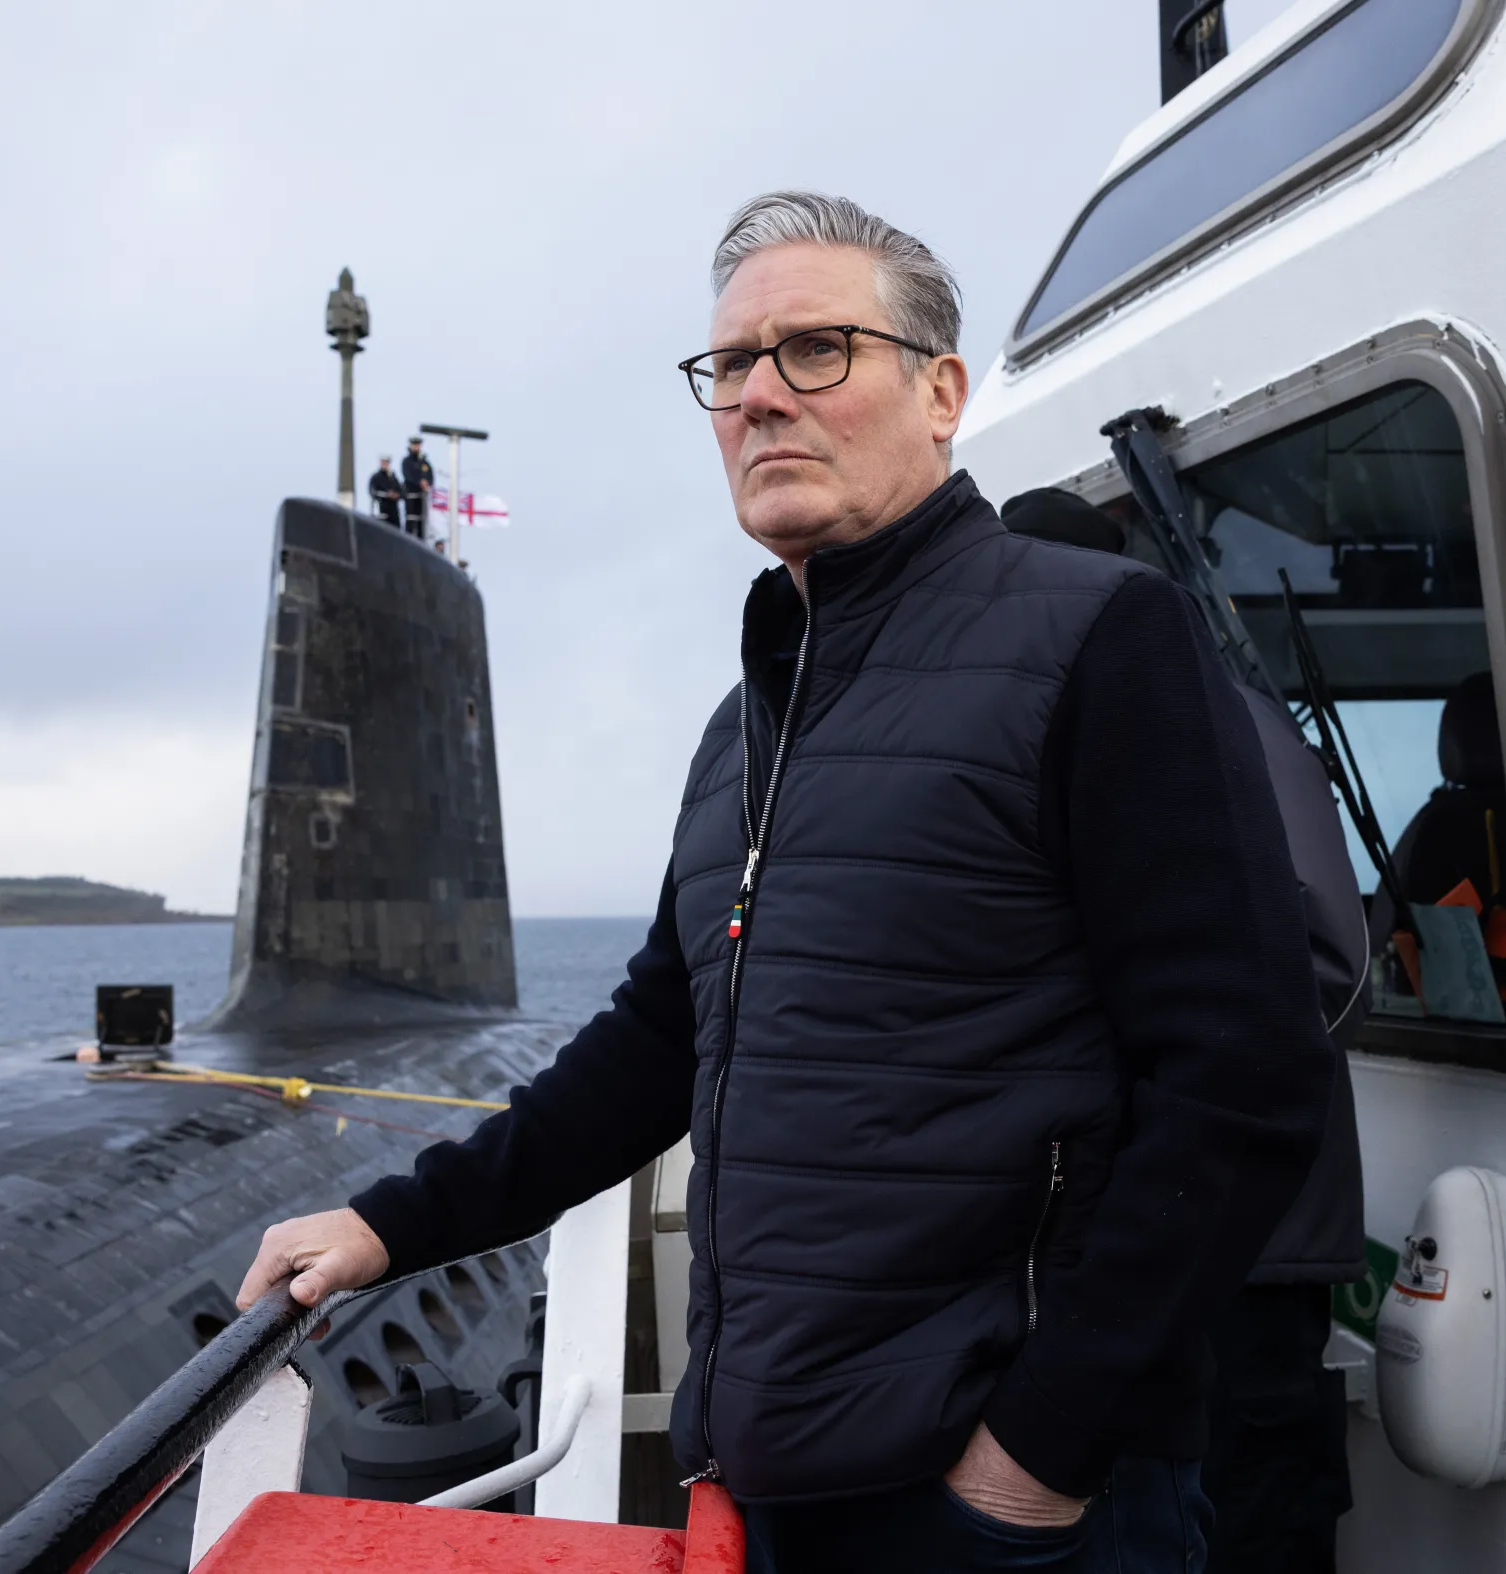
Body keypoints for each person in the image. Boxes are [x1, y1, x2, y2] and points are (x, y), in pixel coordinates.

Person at [239, 191, 1335, 1573]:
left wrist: (1040, 1454)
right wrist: (396, 1220)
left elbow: (1243, 1076)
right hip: (787, 1471)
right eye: (731, 366)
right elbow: (659, 1035)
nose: (761, 396)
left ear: (940, 391)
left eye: (816, 348)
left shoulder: (1099, 639)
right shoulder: (747, 722)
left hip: (1007, 1499)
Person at [1000, 487, 1366, 1573]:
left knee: (1251, 1515)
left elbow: (1324, 975)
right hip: (1134, 1238)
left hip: (1246, 1240)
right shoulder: (1058, 724)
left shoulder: (1218, 719)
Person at [400, 436, 435, 540]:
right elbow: (408, 475)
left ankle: (421, 540)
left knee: (421, 522)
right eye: (414, 445)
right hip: (411, 495)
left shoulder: (425, 463)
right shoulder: (407, 462)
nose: (416, 447)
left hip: (422, 496)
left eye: (418, 445)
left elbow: (430, 476)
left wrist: (427, 483)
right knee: (411, 520)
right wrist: (419, 482)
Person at [368, 455, 404, 528]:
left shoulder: (393, 478)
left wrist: (397, 495)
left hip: (393, 511)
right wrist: (386, 495)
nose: (385, 464)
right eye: (383, 462)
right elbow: (372, 492)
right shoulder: (376, 477)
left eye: (386, 463)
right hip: (381, 509)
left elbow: (401, 492)